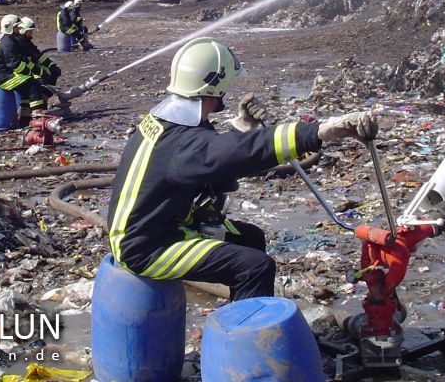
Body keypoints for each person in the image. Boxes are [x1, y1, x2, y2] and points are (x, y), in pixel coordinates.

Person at [107, 37, 378, 301]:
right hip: (146, 246)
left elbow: (213, 155)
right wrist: (318, 132)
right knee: (255, 266)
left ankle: (238, 310)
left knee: (251, 238)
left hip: (161, 225)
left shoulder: (166, 121)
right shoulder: (183, 143)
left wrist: (242, 126)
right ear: (215, 88)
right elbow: (235, 153)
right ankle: (244, 341)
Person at [0, 14, 46, 126]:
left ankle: (25, 119)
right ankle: (38, 117)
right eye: (17, 27)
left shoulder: (9, 40)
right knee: (33, 84)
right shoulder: (8, 42)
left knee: (26, 91)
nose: (18, 29)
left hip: (6, 75)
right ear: (10, 27)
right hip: (3, 78)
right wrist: (30, 73)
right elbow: (14, 63)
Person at [16, 16, 62, 86]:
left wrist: (51, 64)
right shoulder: (18, 44)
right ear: (23, 30)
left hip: (33, 68)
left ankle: (51, 92)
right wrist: (41, 72)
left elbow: (38, 55)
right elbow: (25, 62)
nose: (32, 33)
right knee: (41, 81)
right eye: (30, 31)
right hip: (24, 71)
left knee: (55, 71)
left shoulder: (27, 42)